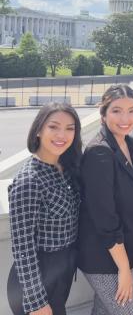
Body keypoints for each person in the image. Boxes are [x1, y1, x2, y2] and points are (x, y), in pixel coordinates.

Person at [77, 84, 133, 315]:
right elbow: (104, 217)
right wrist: (124, 268)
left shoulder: (127, 143)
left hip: (120, 255)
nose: (125, 118)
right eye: (116, 110)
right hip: (104, 259)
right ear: (103, 113)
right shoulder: (100, 152)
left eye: (132, 110)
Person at [7, 102, 82, 315]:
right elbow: (23, 248)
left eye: (70, 128)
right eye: (54, 127)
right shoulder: (28, 181)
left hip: (61, 274)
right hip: (36, 281)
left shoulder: (65, 169)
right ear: (39, 130)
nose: (62, 135)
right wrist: (36, 302)